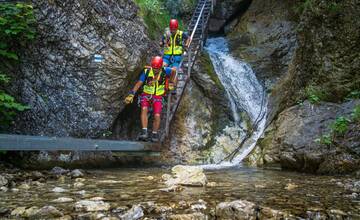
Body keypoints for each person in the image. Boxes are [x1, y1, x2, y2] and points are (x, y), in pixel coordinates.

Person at [124, 56, 176, 142]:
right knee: (144, 109)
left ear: (160, 67)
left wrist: (171, 82)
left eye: (157, 69)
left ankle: (154, 134)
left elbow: (174, 71)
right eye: (154, 68)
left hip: (158, 96)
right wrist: (132, 94)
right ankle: (144, 132)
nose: (155, 70)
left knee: (157, 115)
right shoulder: (147, 71)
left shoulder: (165, 70)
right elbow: (139, 83)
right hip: (146, 94)